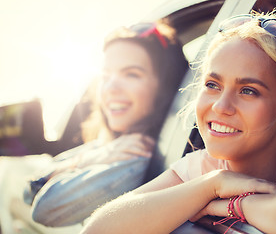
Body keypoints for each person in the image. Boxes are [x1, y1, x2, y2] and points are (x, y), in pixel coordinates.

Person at [80, 11, 276, 234]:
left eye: (248, 90)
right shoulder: (203, 168)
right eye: (212, 85)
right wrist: (213, 185)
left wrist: (217, 205)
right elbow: (97, 229)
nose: (221, 106)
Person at [0, 19, 188, 232]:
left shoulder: (137, 155)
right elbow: (29, 190)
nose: (111, 87)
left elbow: (43, 209)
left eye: (132, 74)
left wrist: (88, 160)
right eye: (106, 76)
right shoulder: (112, 146)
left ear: (164, 88)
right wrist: (95, 157)